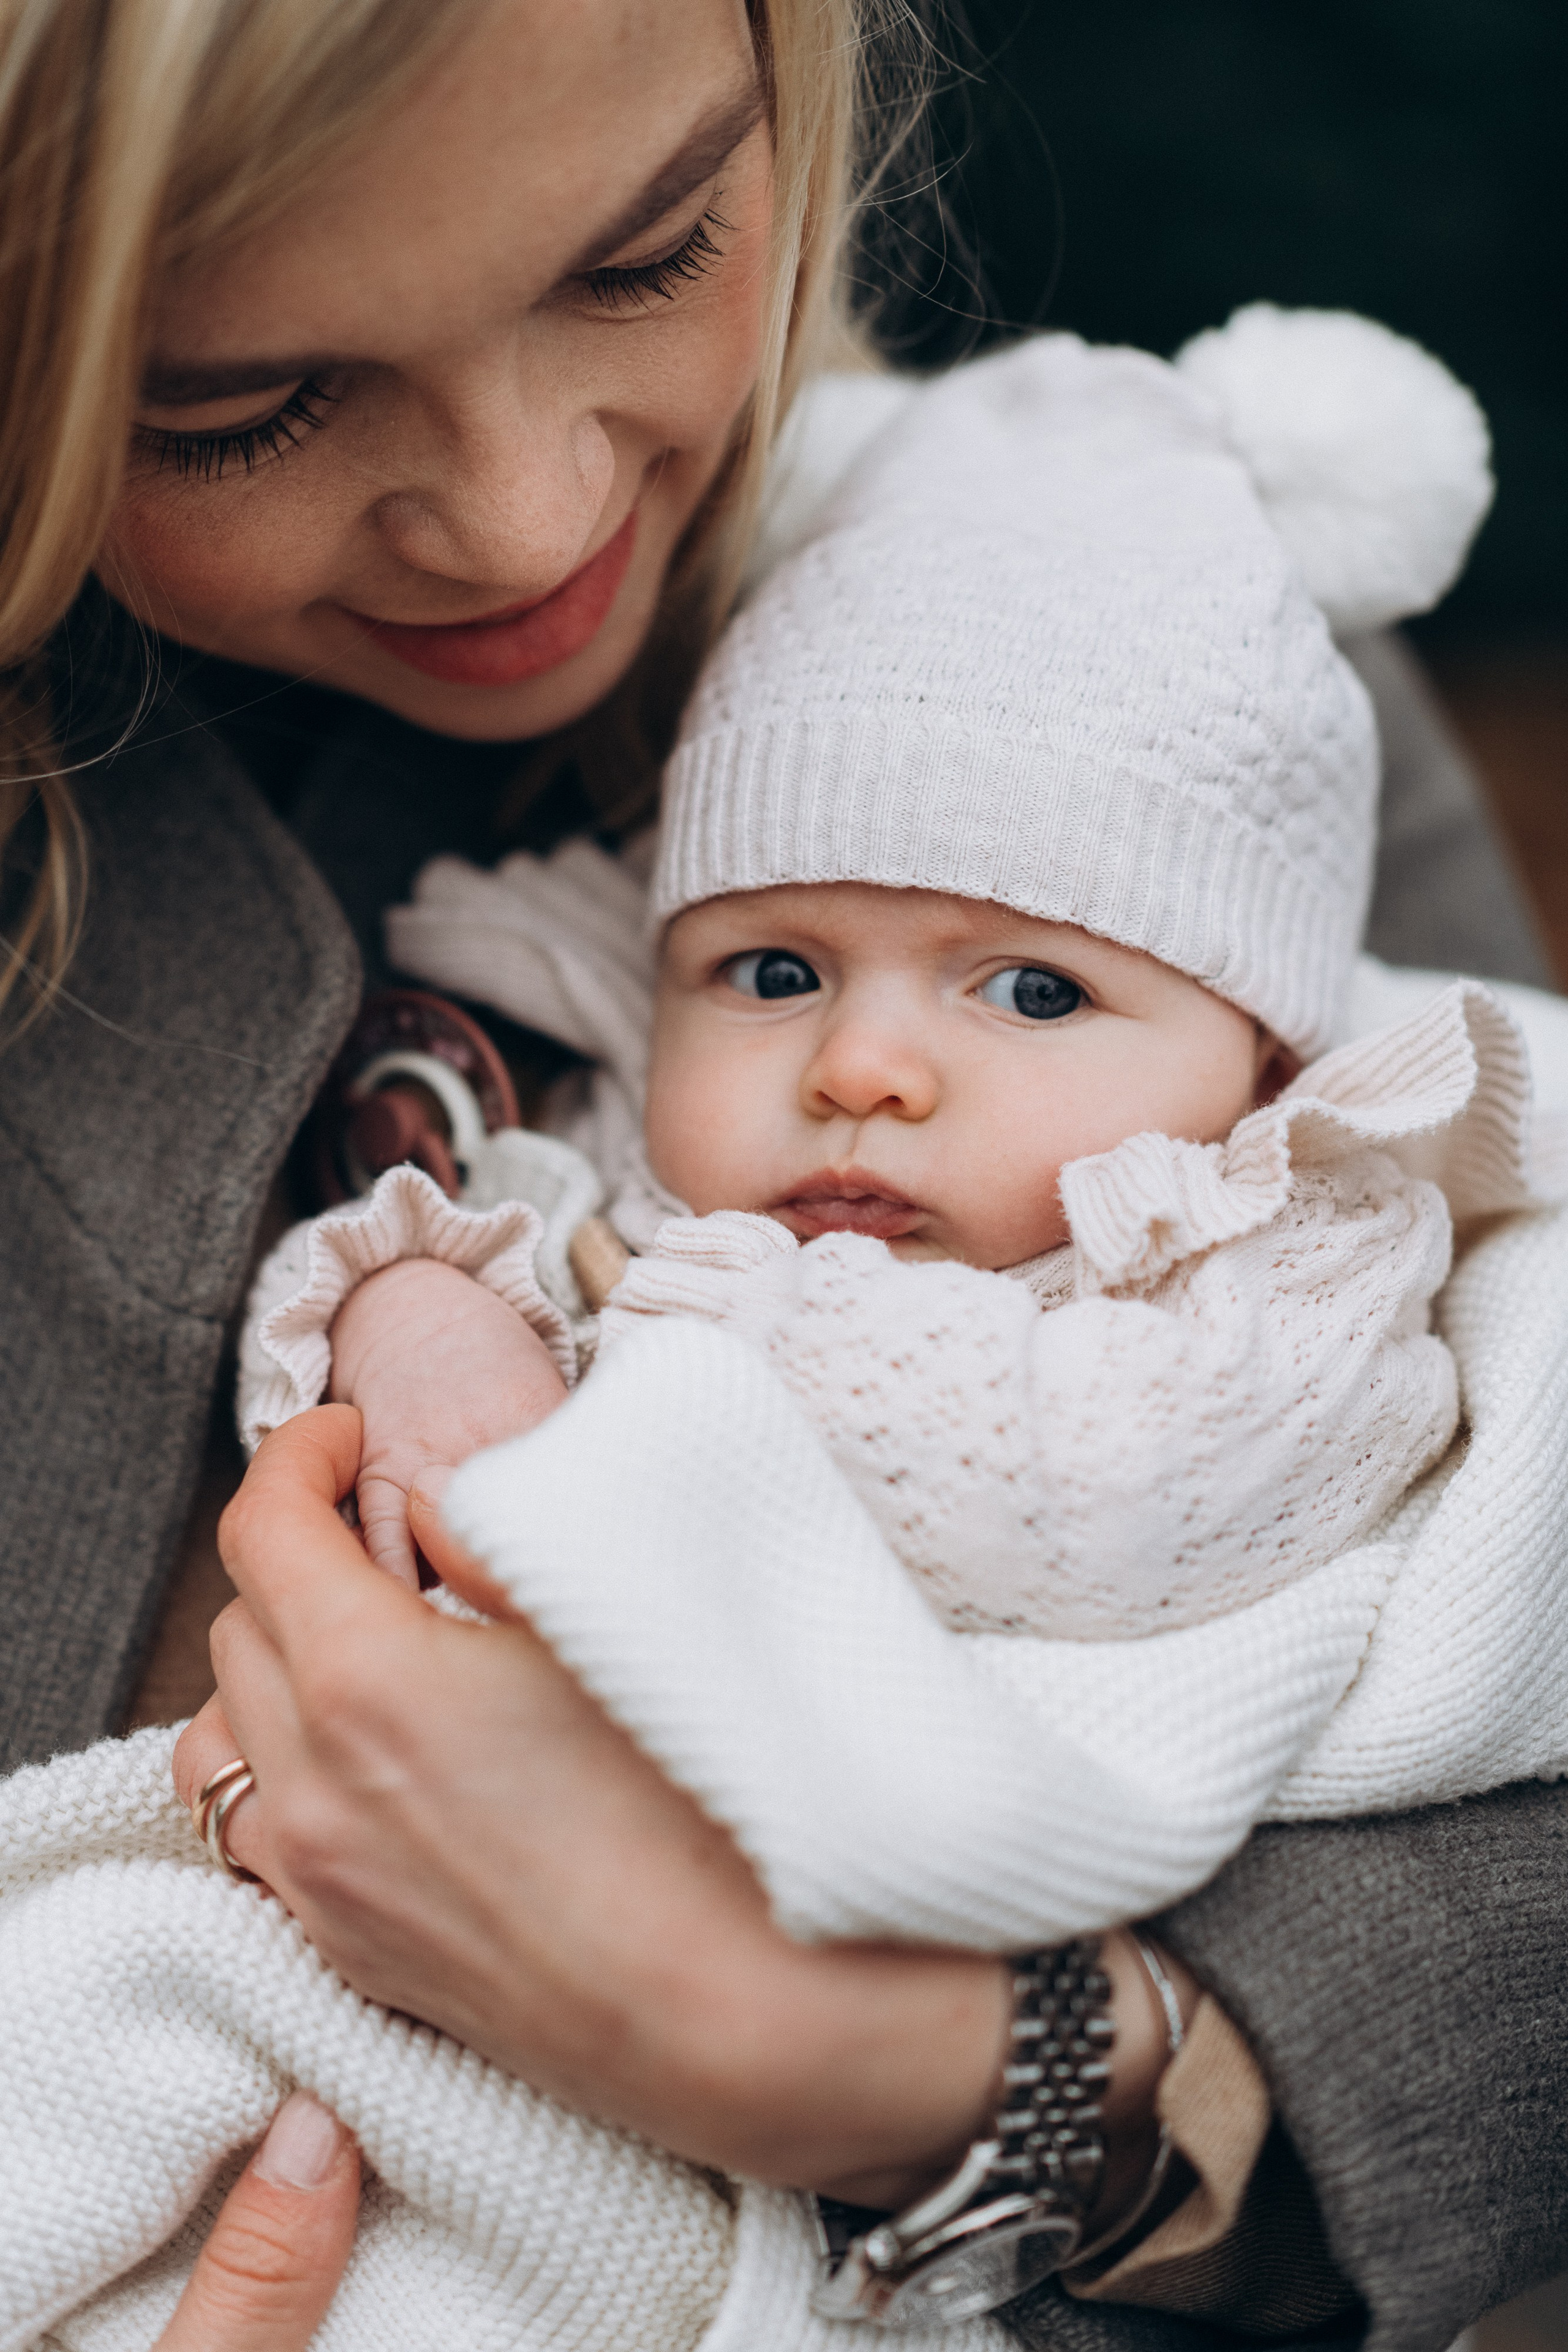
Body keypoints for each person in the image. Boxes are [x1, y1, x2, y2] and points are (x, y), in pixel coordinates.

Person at [0, 2, 1562, 2346]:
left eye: (648, 255)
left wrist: (947, 2070)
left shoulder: (1152, 608)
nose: (534, 518)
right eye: (238, 406)